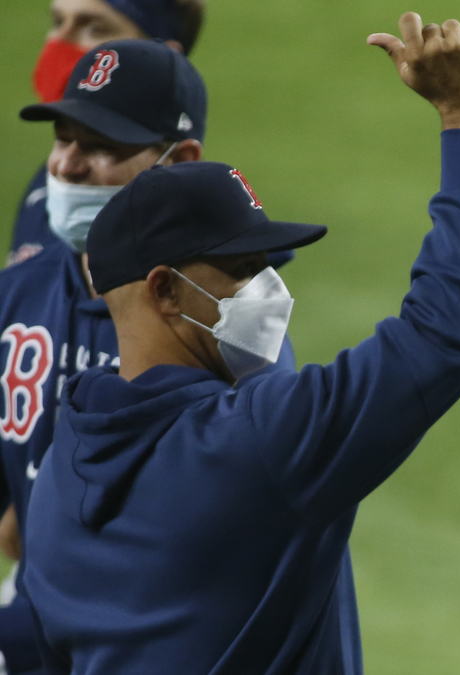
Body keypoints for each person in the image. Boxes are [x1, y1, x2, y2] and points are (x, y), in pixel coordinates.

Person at [22, 12, 460, 673]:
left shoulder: (60, 470)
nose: (268, 287)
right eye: (243, 268)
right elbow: (453, 328)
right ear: (165, 291)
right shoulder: (260, 442)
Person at [0, 39, 219, 675]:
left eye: (100, 146)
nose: (66, 165)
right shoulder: (18, 293)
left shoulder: (217, 332)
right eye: (62, 137)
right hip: (40, 627)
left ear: (180, 162)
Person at [14, 0, 208, 266]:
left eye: (94, 28)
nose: (59, 42)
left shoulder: (210, 274)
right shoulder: (51, 184)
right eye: (58, 22)